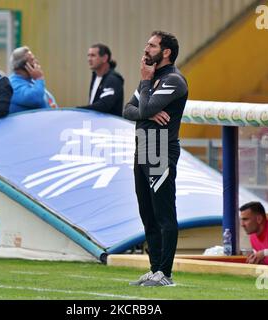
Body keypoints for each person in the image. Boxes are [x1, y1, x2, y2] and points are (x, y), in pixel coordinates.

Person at [124, 31, 188, 286]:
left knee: (163, 213)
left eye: (151, 45)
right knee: (147, 212)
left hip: (160, 148)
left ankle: (165, 272)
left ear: (166, 52)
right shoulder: (151, 80)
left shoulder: (173, 79)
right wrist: (147, 112)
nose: (146, 49)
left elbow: (145, 107)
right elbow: (129, 110)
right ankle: (154, 270)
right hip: (143, 148)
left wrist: (145, 92)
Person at [74, 44, 124, 116]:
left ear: (104, 58)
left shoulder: (113, 79)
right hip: (96, 124)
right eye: (88, 55)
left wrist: (78, 110)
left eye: (93, 55)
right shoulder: (95, 76)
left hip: (109, 126)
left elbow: (104, 105)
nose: (89, 59)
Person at [8, 46, 56, 113]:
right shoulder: (12, 84)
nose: (36, 62)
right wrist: (39, 78)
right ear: (24, 66)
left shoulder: (32, 82)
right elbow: (34, 99)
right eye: (32, 60)